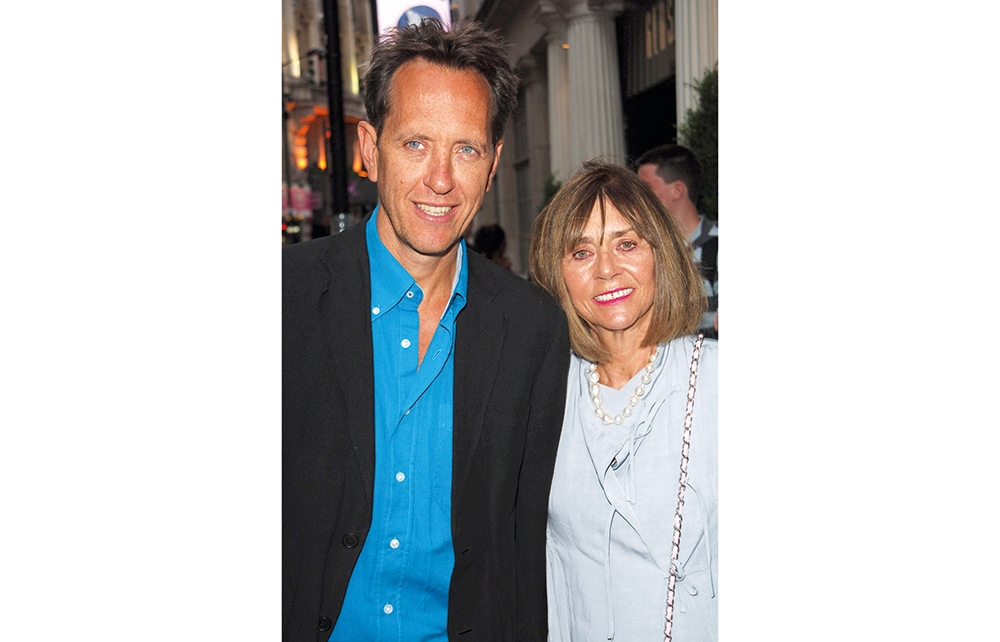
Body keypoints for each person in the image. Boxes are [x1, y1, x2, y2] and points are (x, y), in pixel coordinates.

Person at [282, 20, 571, 642]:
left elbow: (524, 546)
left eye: (466, 150)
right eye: (416, 143)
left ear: (493, 165)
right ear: (370, 149)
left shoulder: (534, 331)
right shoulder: (284, 299)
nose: (441, 179)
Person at [529, 161, 718, 641]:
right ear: (557, 273)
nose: (607, 269)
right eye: (581, 252)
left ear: (661, 253)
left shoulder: (717, 379)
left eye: (627, 244)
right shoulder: (541, 394)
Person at [636, 144, 718, 338]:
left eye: (646, 188)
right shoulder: (643, 250)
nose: (638, 198)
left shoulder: (717, 246)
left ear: (677, 191)